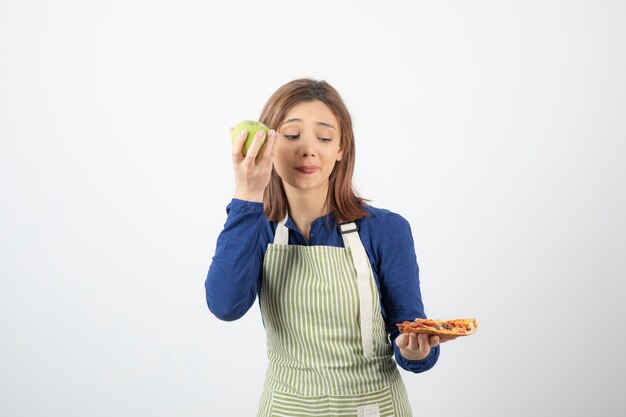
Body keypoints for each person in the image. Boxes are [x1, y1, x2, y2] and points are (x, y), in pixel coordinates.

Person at [206, 78, 452, 416]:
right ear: (269, 144)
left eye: (324, 138)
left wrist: (415, 352)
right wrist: (246, 195)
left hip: (372, 407)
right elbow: (225, 306)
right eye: (292, 136)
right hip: (286, 408)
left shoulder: (386, 230)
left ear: (341, 149)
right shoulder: (256, 226)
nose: (309, 149)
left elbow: (410, 331)